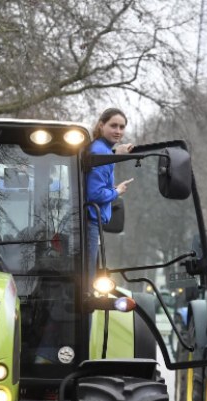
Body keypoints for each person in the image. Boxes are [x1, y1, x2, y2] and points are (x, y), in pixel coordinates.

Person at [86, 108, 135, 278]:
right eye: (113, 126)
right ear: (101, 125)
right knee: (88, 281)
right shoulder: (101, 153)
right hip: (90, 223)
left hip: (90, 224)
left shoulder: (100, 150)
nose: (118, 131)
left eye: (122, 127)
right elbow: (94, 194)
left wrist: (115, 153)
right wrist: (117, 191)